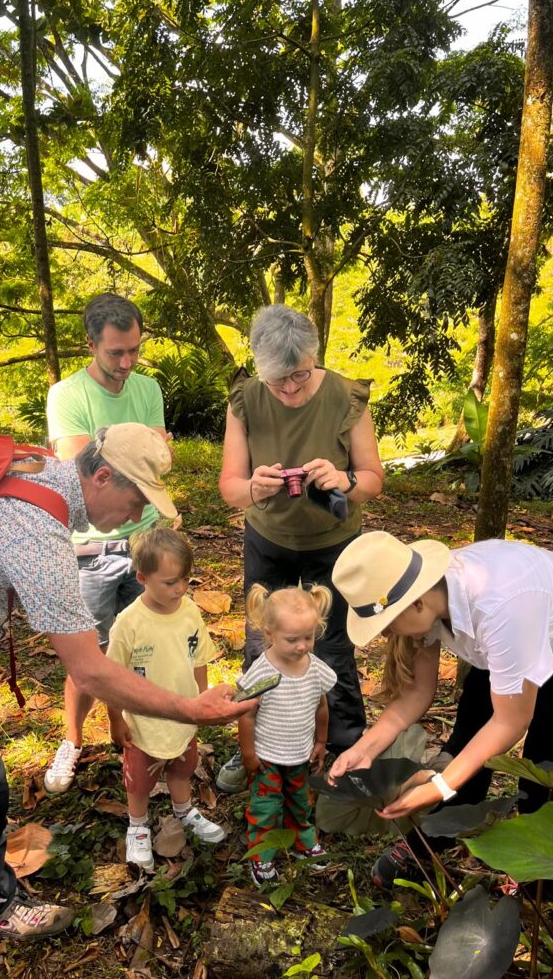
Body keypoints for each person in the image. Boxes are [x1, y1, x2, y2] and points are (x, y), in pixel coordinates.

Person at [0, 423, 254, 942]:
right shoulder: (37, 529)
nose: (138, 517)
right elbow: (89, 669)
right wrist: (192, 710)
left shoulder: (41, 467)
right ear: (104, 475)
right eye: (136, 501)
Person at [330, 530, 553, 890]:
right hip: (509, 643)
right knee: (465, 743)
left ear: (416, 604)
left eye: (387, 623)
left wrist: (439, 786)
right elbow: (417, 693)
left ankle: (540, 889)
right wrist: (364, 748)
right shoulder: (430, 595)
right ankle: (432, 842)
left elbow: (510, 721)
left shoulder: (500, 605)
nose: (386, 634)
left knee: (543, 777)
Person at [216, 304, 384, 793]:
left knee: (332, 646)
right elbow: (229, 485)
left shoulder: (345, 396)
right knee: (263, 644)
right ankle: (258, 747)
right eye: (277, 382)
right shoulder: (246, 399)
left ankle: (345, 753)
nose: (289, 391)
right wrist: (255, 488)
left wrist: (344, 479)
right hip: (268, 543)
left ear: (314, 356)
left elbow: (373, 480)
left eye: (299, 377)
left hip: (334, 547)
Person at [44, 292, 169, 795]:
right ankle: (72, 741)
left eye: (134, 350)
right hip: (90, 547)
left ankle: (143, 743)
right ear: (90, 344)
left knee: (146, 647)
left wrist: (122, 445)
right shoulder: (66, 394)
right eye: (115, 352)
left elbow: (158, 461)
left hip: (147, 535)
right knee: (87, 655)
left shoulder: (148, 387)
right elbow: (82, 469)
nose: (126, 363)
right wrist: (136, 446)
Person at [106, 528, 226, 871]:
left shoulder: (189, 610)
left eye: (185, 580)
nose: (180, 589)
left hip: (184, 715)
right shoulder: (128, 623)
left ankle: (183, 808)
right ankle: (138, 825)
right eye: (170, 582)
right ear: (142, 578)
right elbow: (111, 677)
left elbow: (199, 657)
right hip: (143, 722)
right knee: (140, 779)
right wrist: (116, 718)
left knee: (182, 767)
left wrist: (200, 702)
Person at [238, 583, 337, 885]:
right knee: (266, 806)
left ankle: (303, 842)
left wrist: (321, 741)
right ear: (268, 634)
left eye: (308, 637)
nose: (302, 646)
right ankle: (261, 855)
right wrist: (248, 753)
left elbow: (321, 706)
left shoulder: (316, 669)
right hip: (267, 756)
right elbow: (246, 713)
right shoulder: (262, 672)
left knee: (300, 801)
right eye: (292, 639)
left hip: (299, 754)